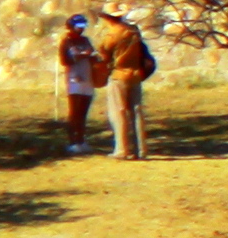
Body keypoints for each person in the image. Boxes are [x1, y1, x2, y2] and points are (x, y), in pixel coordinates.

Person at [92, 12, 157, 162]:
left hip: (119, 74)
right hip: (136, 74)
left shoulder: (112, 35)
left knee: (118, 112)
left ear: (107, 18)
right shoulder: (133, 31)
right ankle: (140, 149)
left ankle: (122, 149)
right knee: (136, 111)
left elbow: (104, 55)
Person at [57, 16, 102, 153]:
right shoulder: (67, 41)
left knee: (83, 111)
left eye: (83, 26)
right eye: (79, 26)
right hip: (74, 78)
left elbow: (93, 55)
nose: (81, 28)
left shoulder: (85, 40)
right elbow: (65, 61)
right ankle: (73, 141)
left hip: (87, 77)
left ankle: (82, 140)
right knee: (75, 111)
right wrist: (83, 55)